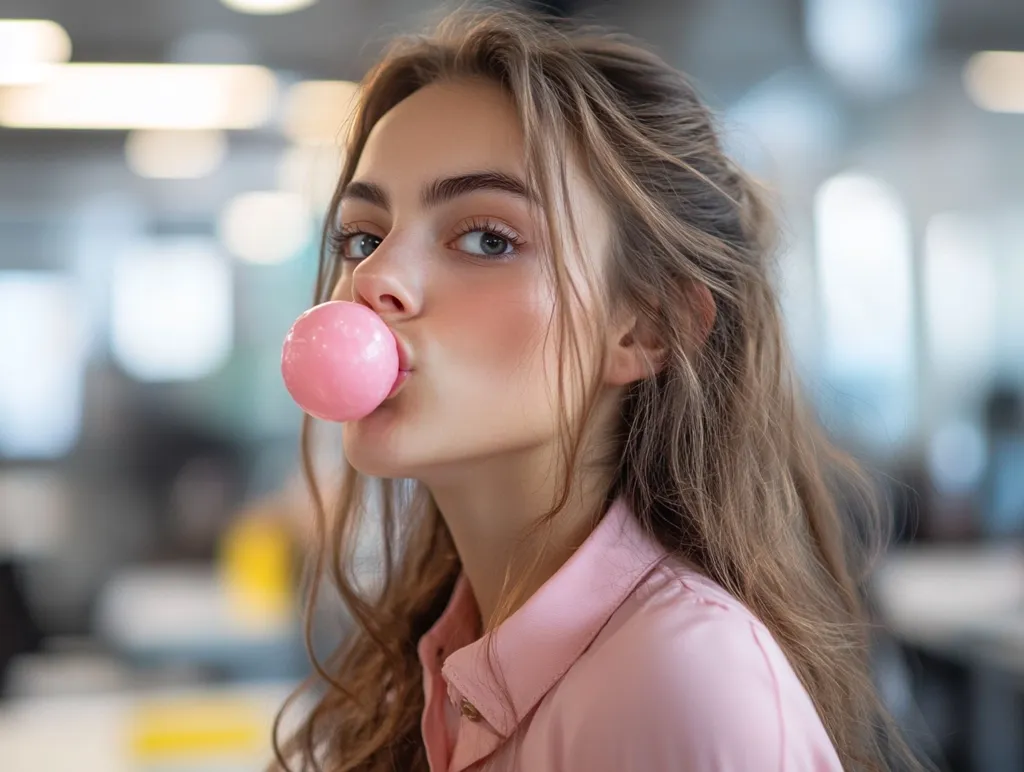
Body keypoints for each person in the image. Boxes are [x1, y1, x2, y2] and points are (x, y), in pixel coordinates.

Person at [270, 6, 923, 771]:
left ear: (646, 330)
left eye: (487, 238)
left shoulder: (682, 684)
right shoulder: (456, 654)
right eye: (363, 236)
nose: (372, 277)